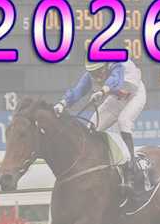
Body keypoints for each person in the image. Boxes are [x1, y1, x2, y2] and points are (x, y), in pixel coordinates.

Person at [54, 59, 146, 197]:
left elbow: (116, 79)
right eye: (92, 73)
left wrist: (103, 91)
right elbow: (78, 90)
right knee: (91, 127)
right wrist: (62, 103)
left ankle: (132, 170)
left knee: (124, 121)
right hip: (117, 99)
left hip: (135, 95)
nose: (96, 76)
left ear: (106, 65)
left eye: (98, 72)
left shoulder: (118, 66)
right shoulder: (93, 72)